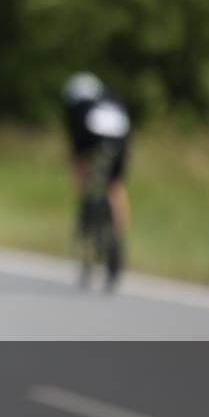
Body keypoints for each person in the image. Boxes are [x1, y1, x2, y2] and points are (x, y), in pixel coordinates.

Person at [62, 72, 131, 282]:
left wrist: (79, 175)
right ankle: (118, 241)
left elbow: (75, 146)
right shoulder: (111, 99)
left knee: (83, 174)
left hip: (90, 138)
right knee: (115, 187)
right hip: (119, 139)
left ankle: (88, 213)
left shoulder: (78, 107)